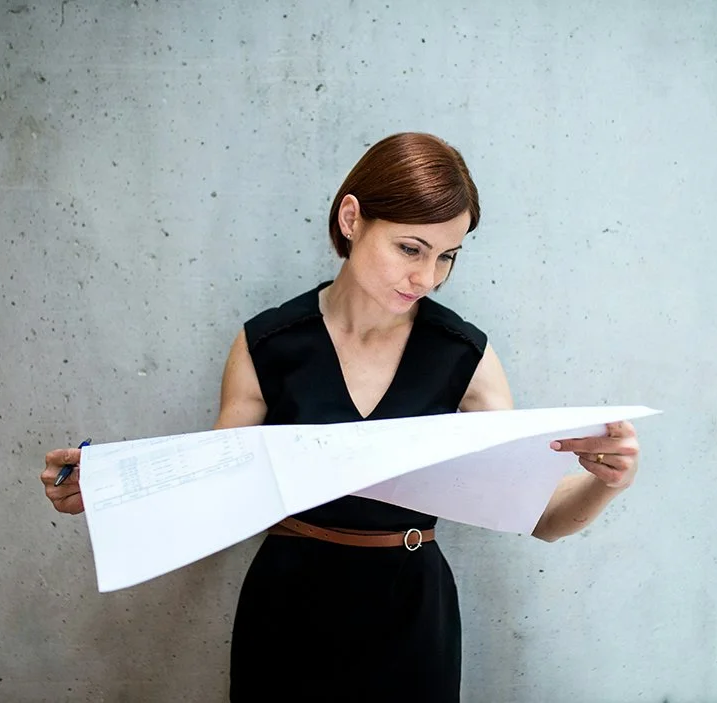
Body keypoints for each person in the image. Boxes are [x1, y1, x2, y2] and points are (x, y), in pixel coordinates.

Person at [41, 132, 641, 701]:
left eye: (447, 257)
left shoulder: (467, 356)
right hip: (287, 612)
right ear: (352, 219)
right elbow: (211, 492)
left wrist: (605, 481)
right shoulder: (268, 344)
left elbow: (539, 518)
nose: (427, 277)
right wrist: (110, 488)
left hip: (413, 620)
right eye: (411, 248)